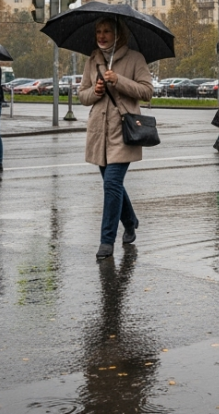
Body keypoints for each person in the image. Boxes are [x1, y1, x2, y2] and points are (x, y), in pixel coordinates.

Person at [78, 17, 153, 260]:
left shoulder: (135, 58)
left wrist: (118, 80)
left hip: (123, 130)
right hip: (99, 132)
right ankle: (130, 222)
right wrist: (95, 91)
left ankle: (106, 241)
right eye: (98, 31)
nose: (101, 36)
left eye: (107, 31)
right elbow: (82, 95)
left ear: (118, 34)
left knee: (111, 184)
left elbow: (147, 91)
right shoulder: (93, 59)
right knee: (114, 185)